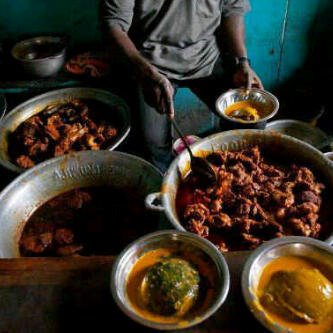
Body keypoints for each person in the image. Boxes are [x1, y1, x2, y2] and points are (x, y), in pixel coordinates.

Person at [101, 0, 263, 171]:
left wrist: (242, 62)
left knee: (252, 120)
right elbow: (113, 24)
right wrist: (144, 72)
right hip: (151, 67)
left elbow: (233, 11)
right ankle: (164, 187)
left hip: (207, 59)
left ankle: (233, 178)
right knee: (151, 146)